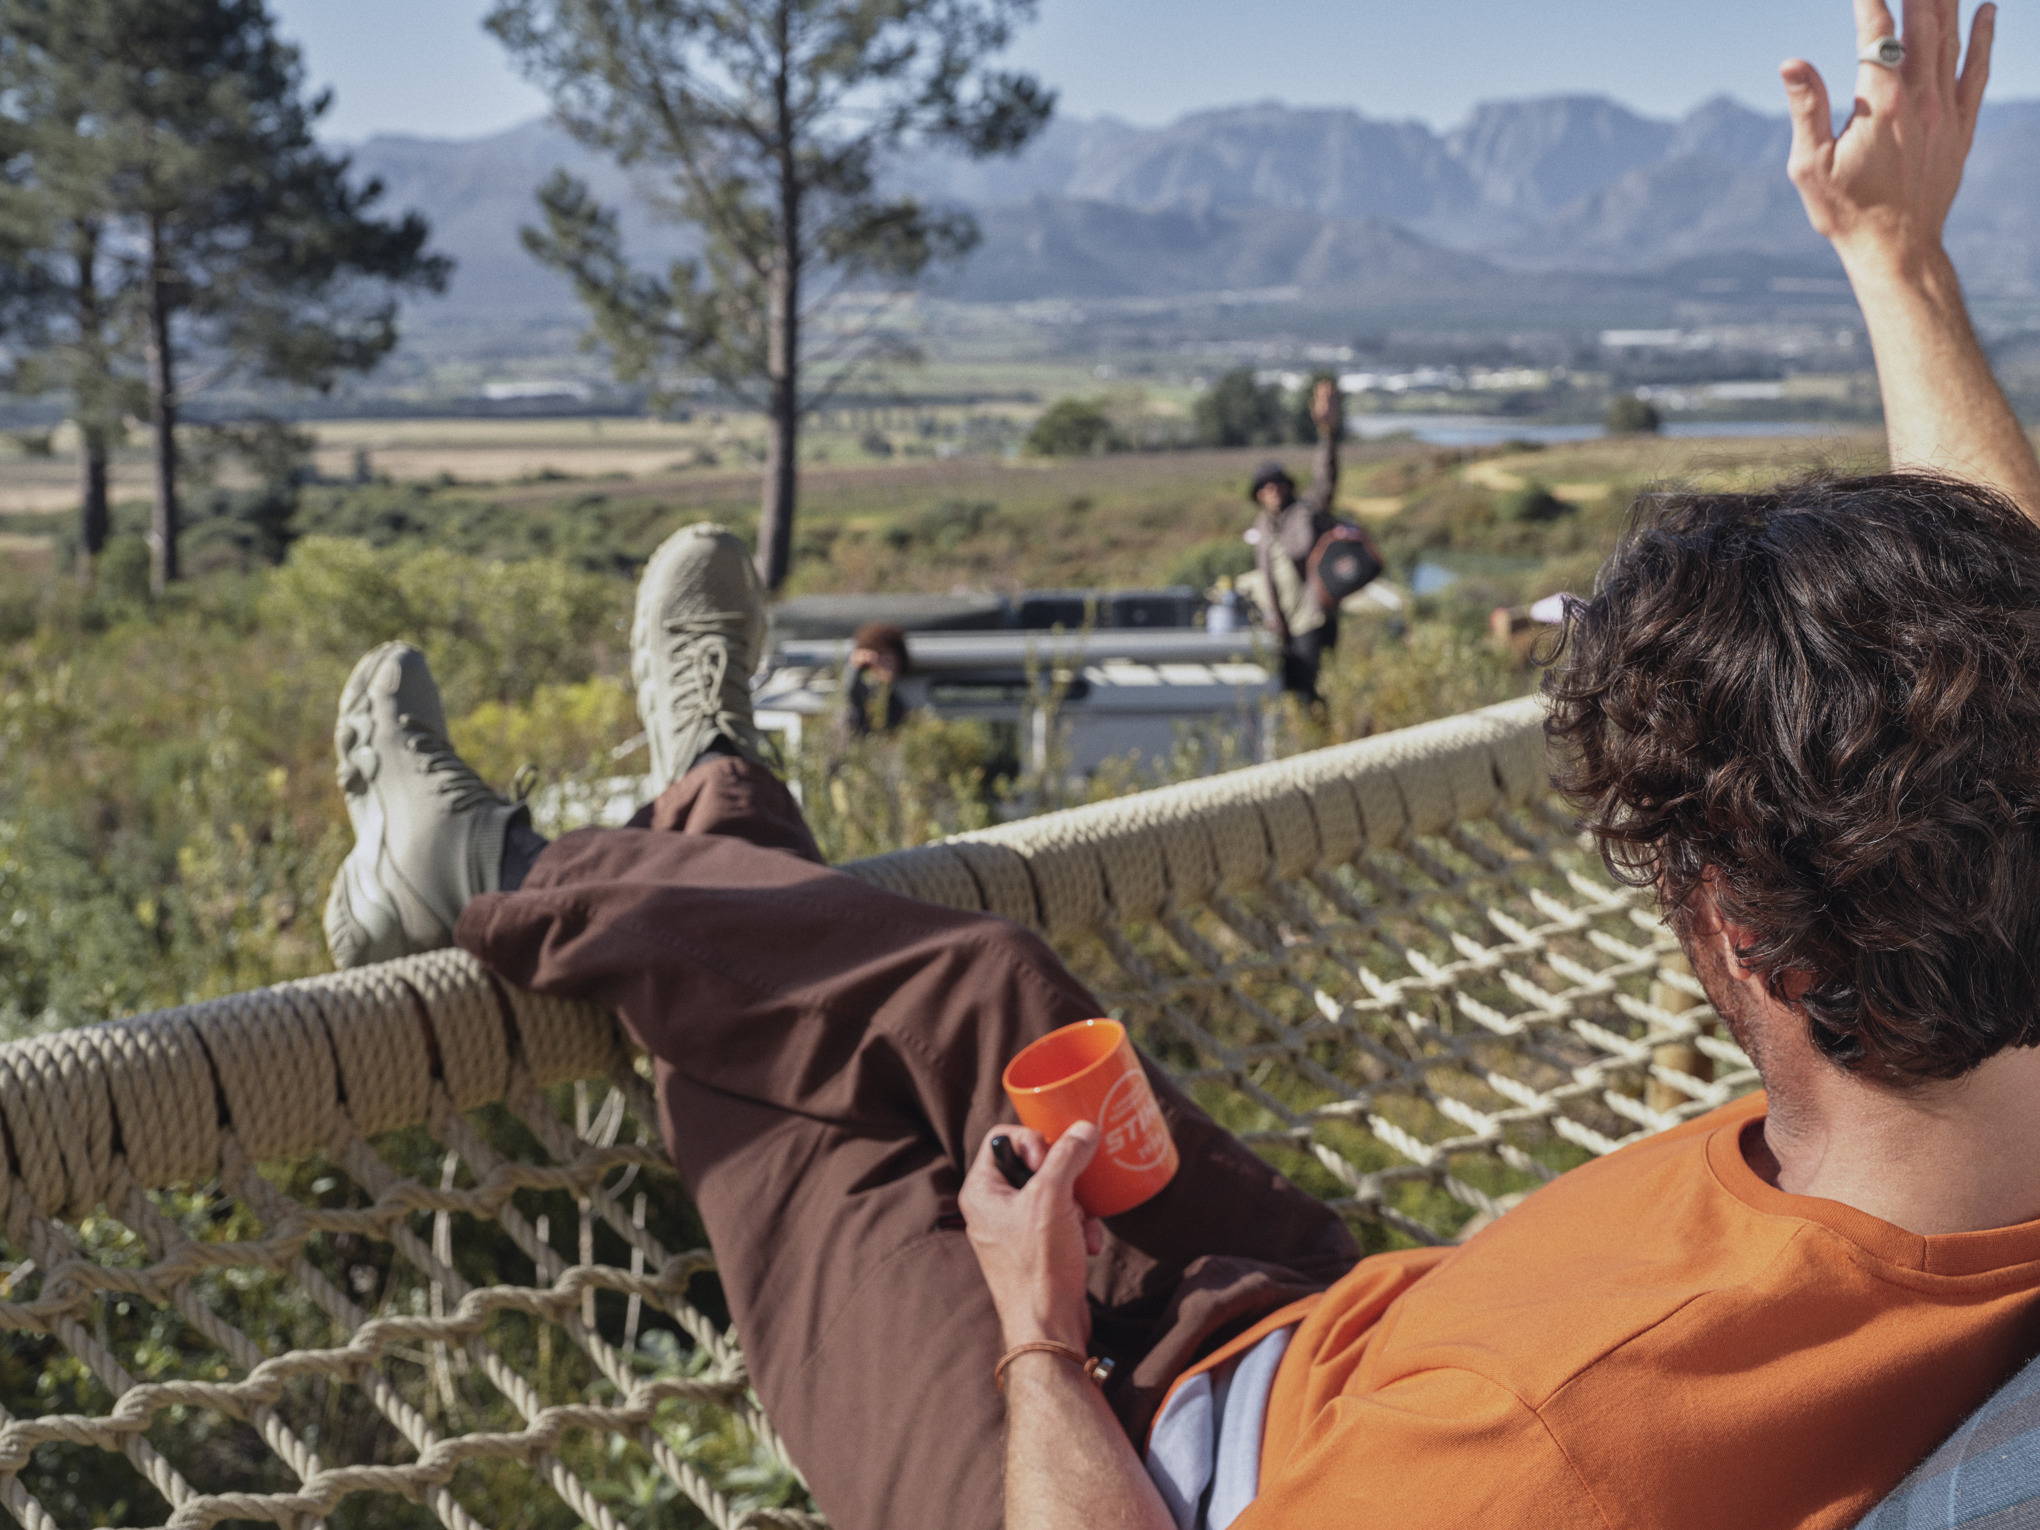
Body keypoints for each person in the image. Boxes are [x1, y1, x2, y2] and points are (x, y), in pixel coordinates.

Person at [314, 4, 2040, 1526]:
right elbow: (1999, 654)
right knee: (974, 981)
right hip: (1332, 1336)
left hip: (1118, 1469)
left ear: (1746, 933)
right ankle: (697, 814)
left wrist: (1040, 1338)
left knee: (797, 1113)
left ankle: (520, 867)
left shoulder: (1568, 1447)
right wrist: (1897, 257)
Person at [1246, 378, 1342, 705]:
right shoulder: (1263, 527)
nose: (1272, 491)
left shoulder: (1305, 512)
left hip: (1312, 620)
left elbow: (1325, 480)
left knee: (1314, 696)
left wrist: (1327, 433)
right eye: (1265, 487)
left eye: (1277, 485)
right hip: (1285, 627)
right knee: (1291, 696)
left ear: (1287, 487)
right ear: (1258, 495)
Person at [836, 619, 912, 741]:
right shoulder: (862, 694)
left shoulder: (898, 701)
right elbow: (849, 693)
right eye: (879, 658)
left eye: (888, 659)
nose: (884, 664)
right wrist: (854, 667)